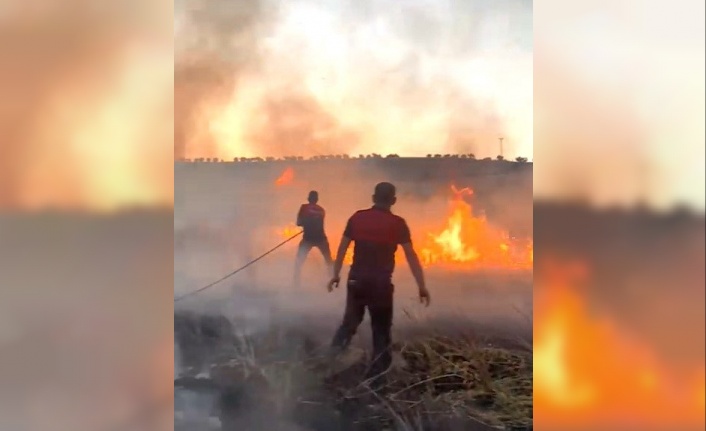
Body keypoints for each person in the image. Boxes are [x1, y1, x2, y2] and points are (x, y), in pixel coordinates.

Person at [327, 182, 430, 383]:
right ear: (393, 201)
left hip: (356, 281)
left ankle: (331, 359)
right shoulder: (398, 223)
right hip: (381, 285)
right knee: (381, 329)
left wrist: (335, 274)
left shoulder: (357, 218)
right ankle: (379, 377)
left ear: (373, 197)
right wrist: (421, 286)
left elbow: (342, 249)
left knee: (349, 323)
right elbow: (411, 256)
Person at [294, 190, 333, 287]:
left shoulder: (304, 208)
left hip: (308, 239)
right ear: (317, 199)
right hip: (321, 238)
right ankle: (333, 281)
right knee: (328, 261)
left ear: (308, 198)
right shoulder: (322, 210)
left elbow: (299, 223)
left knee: (298, 262)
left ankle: (295, 284)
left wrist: (305, 224)